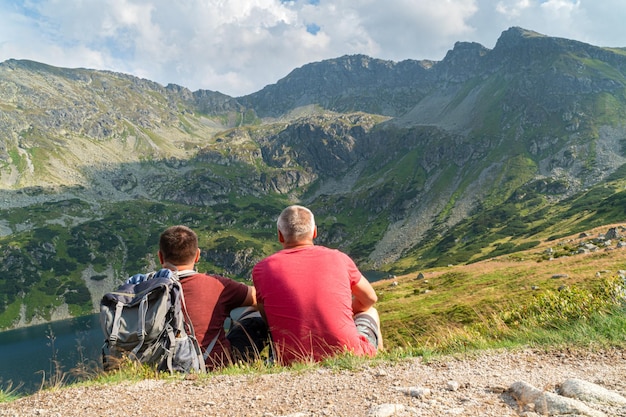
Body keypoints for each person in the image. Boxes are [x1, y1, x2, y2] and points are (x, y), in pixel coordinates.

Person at [252, 205, 383, 365]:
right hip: (349, 354)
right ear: (314, 232)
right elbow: (370, 298)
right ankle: (377, 364)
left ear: (280, 235)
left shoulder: (261, 268)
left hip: (290, 360)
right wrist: (347, 312)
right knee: (371, 311)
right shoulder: (339, 258)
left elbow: (265, 313)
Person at [155, 225, 268, 369]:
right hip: (214, 363)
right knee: (254, 315)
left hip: (159, 366)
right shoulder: (218, 285)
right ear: (197, 255)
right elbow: (256, 296)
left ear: (160, 256)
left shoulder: (144, 288)